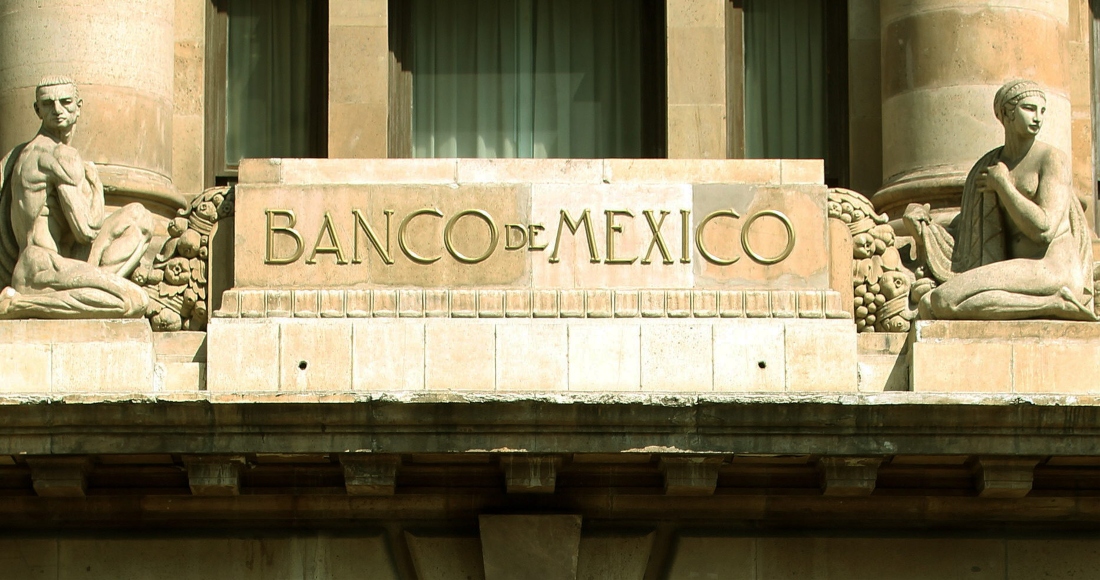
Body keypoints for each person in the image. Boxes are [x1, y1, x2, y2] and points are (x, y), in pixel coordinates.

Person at [908, 79, 1096, 321]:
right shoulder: (988, 165)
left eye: (1042, 110)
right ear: (1006, 114)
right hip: (1020, 271)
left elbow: (1044, 230)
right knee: (935, 303)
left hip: (1054, 268)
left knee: (943, 300)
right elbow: (972, 231)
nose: (1038, 118)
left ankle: (1058, 300)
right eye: (1029, 109)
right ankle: (1053, 304)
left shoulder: (1052, 159)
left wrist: (1003, 185)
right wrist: (927, 229)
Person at [0, 76, 153, 319]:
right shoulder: (59, 154)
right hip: (41, 268)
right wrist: (96, 185)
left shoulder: (23, 152)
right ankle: (20, 304)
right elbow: (87, 230)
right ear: (37, 110)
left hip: (53, 261)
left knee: (140, 217)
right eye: (48, 104)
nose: (57, 109)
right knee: (134, 301)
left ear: (78, 107)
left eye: (65, 102)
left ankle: (93, 286)